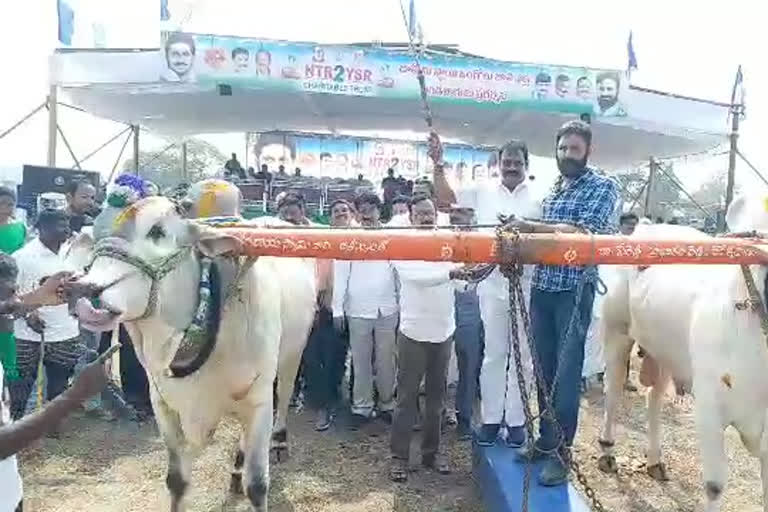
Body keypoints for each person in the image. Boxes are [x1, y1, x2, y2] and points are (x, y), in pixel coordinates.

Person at [509, 120, 619, 486]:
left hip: (574, 289)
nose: (567, 155)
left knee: (566, 375)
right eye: (561, 149)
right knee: (543, 369)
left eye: (573, 149)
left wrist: (529, 227)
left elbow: (583, 234)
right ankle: (544, 440)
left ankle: (561, 453)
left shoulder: (603, 186)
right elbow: (548, 236)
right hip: (543, 286)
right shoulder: (555, 187)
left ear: (588, 151)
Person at [431, 133, 541, 449]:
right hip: (492, 286)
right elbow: (445, 200)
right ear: (498, 165)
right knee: (494, 353)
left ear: (526, 166)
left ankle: (517, 422)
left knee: (524, 356)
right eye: (506, 162)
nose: (510, 167)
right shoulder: (483, 193)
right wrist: (438, 164)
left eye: (516, 163)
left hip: (527, 286)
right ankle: (492, 420)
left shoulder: (539, 198)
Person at [389, 194, 465, 482]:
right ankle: (399, 457)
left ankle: (431, 454)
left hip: (443, 331)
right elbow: (416, 276)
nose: (425, 218)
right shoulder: (404, 244)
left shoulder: (448, 243)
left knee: (436, 399)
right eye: (419, 213)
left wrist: (467, 273)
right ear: (410, 216)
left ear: (436, 215)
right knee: (406, 398)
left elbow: (459, 284)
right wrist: (452, 271)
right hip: (413, 333)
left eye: (429, 213)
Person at [332, 192, 398, 426]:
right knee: (360, 360)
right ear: (357, 213)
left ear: (380, 211)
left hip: (388, 308)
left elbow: (399, 272)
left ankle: (387, 404)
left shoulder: (392, 235)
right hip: (358, 308)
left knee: (386, 359)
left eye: (372, 208)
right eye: (363, 208)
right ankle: (361, 406)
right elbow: (340, 274)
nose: (368, 213)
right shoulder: (349, 237)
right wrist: (337, 309)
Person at [10, 209, 82, 419]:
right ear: (40, 228)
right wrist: (28, 316)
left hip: (66, 331)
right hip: (27, 335)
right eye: (58, 224)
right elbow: (10, 294)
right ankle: (15, 424)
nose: (65, 229)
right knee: (21, 384)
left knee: (60, 381)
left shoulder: (73, 253)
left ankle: (51, 423)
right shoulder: (22, 257)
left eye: (66, 223)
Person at [303, 199, 355, 431]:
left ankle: (337, 400)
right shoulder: (322, 239)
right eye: (336, 212)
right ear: (330, 217)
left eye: (345, 210)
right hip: (322, 306)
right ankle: (321, 403)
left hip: (353, 307)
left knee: (338, 356)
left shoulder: (361, 238)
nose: (341, 214)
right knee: (315, 356)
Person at [449, 208, 484, 441]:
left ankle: (472, 416)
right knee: (461, 364)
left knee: (476, 363)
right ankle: (456, 416)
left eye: (465, 224)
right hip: (451, 303)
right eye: (455, 223)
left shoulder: (482, 243)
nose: (461, 228)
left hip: (479, 304)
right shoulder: (442, 243)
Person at [0, 188, 26, 397]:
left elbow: (24, 257)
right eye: (1, 203)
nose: (5, 209)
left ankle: (10, 380)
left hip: (11, 286)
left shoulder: (20, 228)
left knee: (9, 331)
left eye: (10, 204)